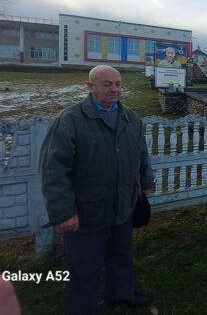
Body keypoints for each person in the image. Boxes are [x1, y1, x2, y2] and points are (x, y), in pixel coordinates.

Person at [40, 65, 155, 313]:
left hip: (122, 206)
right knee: (84, 268)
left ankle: (122, 294)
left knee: (122, 256)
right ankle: (82, 308)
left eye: (117, 84)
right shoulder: (70, 120)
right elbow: (53, 170)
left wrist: (146, 183)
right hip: (87, 213)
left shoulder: (130, 118)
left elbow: (141, 155)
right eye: (107, 84)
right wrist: (63, 213)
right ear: (90, 86)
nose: (114, 89)